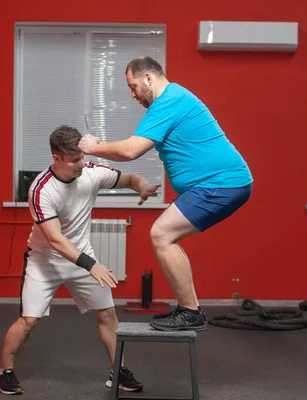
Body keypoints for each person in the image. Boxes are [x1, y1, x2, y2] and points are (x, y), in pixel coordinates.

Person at [78, 56, 253, 333]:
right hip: (217, 184)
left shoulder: (169, 102)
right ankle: (189, 309)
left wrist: (93, 147)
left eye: (133, 86)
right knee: (165, 235)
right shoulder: (172, 100)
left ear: (148, 78)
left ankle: (190, 311)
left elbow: (130, 151)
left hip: (222, 183)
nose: (132, 94)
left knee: (161, 234)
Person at [0, 125, 159, 395]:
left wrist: (141, 185)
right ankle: (5, 372)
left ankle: (118, 371)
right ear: (56, 157)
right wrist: (92, 265)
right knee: (29, 320)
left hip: (81, 256)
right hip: (44, 261)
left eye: (82, 157)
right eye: (74, 160)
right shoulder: (41, 190)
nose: (81, 164)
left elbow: (128, 179)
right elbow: (56, 241)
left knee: (107, 314)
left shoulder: (91, 173)